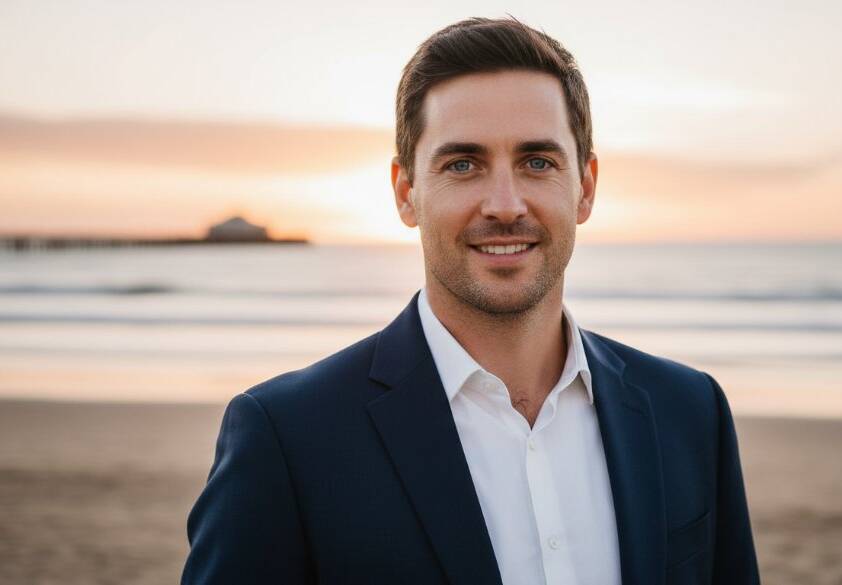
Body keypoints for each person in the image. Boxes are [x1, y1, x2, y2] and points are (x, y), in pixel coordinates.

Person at [181, 17, 759, 585]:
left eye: (537, 161)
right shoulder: (287, 436)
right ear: (407, 194)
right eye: (463, 164)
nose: (505, 205)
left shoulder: (690, 411)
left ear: (584, 187)